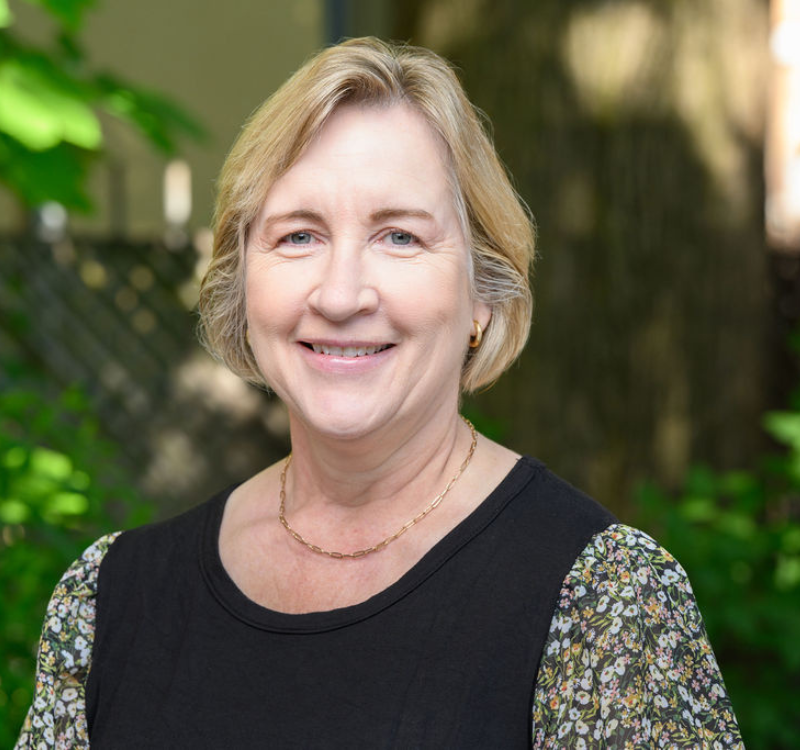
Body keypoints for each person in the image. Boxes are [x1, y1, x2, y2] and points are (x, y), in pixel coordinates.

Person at [16, 37, 743, 748]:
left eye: (399, 237)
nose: (340, 294)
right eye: (298, 236)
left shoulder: (602, 601)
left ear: (483, 292)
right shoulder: (109, 601)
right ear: (242, 280)